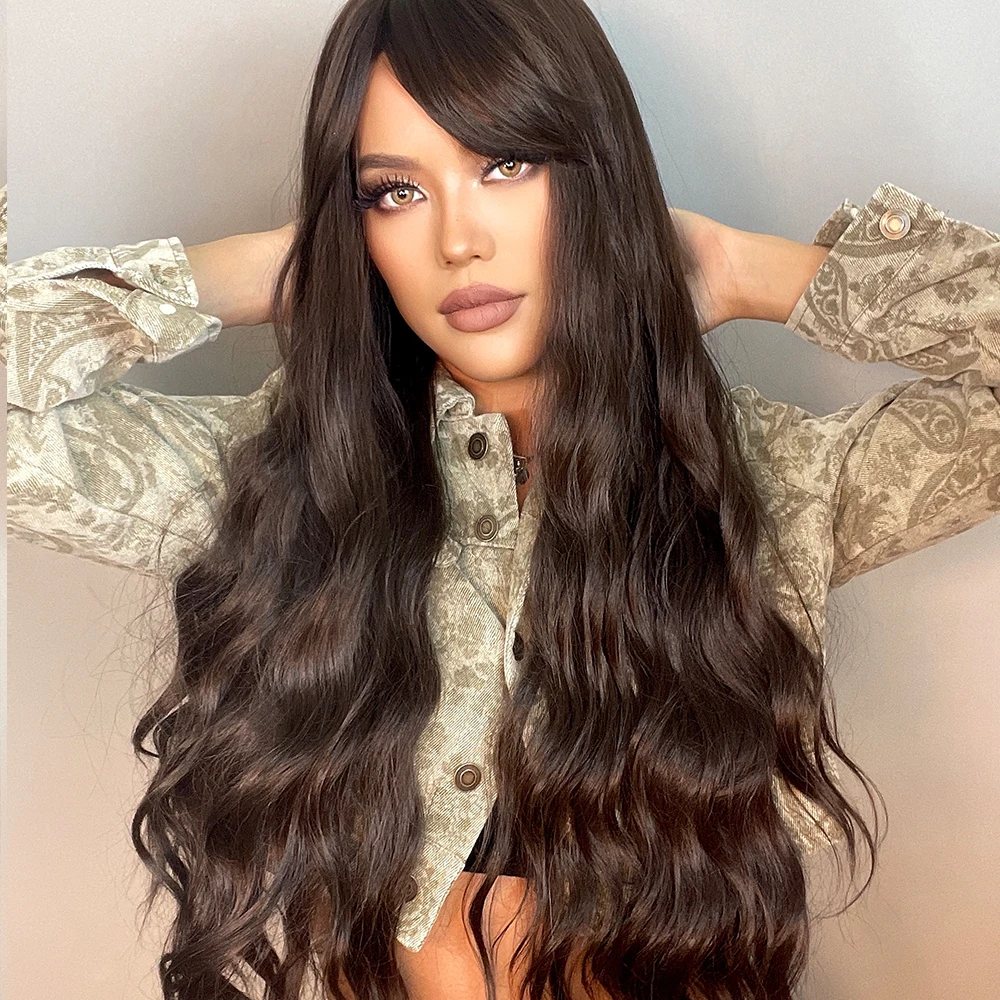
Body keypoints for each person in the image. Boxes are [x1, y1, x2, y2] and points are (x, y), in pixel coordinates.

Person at [5, 0, 999, 997]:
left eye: (505, 165)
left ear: (597, 175)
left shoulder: (766, 484)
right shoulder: (285, 483)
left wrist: (751, 272)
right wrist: (254, 271)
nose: (458, 241)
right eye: (394, 192)